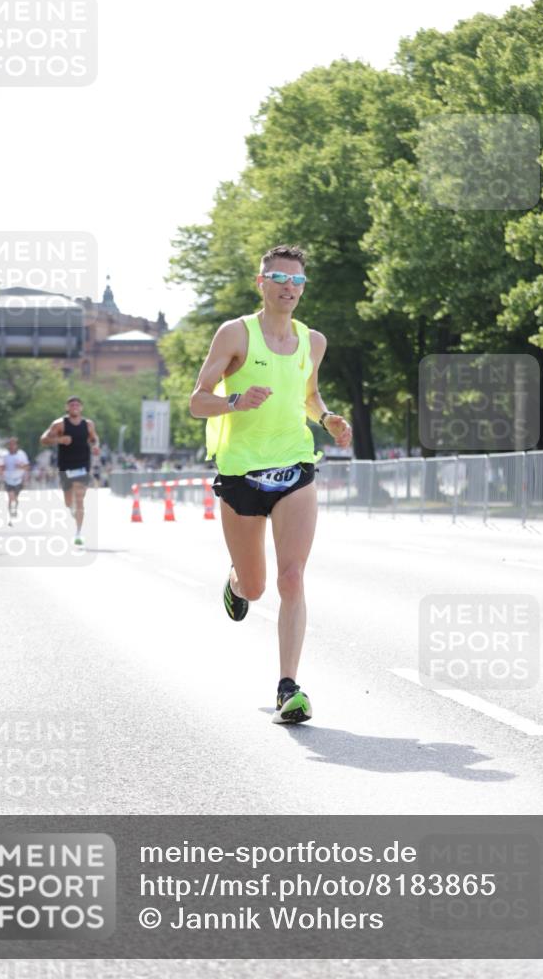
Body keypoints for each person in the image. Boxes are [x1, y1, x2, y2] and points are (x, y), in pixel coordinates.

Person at [190, 245, 352, 724]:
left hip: (295, 465)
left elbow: (307, 394)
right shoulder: (235, 333)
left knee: (292, 577)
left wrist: (325, 418)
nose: (288, 287)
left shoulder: (312, 341)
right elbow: (199, 401)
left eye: (297, 280)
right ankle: (237, 583)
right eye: (278, 277)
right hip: (241, 472)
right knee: (258, 586)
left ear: (304, 287)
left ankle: (288, 687)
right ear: (260, 283)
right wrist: (234, 400)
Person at [40, 396, 100, 546]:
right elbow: (43, 439)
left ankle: (78, 533)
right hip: (66, 465)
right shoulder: (60, 424)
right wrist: (59, 440)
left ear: (81, 408)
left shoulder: (88, 424)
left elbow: (94, 438)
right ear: (67, 408)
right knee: (68, 501)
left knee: (80, 498)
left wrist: (95, 445)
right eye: (71, 405)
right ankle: (72, 509)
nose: (74, 407)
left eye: (77, 405)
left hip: (83, 464)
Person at [2, 436, 30, 524]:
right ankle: (10, 515)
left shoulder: (22, 454)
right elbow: (1, 467)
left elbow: (27, 467)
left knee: (15, 498)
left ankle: (15, 509)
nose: (11, 446)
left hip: (18, 479)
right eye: (10, 444)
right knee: (10, 497)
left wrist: (21, 466)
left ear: (16, 445)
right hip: (8, 479)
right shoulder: (5, 455)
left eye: (13, 444)